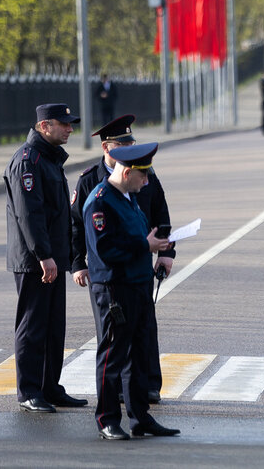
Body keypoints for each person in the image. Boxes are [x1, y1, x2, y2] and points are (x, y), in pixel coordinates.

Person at [70, 114, 175, 404]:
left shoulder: (145, 174)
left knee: (144, 329)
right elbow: (77, 225)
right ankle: (114, 391)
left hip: (138, 270)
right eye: (122, 145)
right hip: (110, 275)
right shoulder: (92, 181)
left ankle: (147, 386)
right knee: (112, 333)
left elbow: (159, 213)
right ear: (107, 149)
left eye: (131, 142)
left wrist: (166, 252)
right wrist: (77, 263)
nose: (130, 148)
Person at [83, 142, 180, 440]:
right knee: (113, 356)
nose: (147, 181)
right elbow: (105, 250)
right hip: (115, 290)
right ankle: (107, 419)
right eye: (143, 175)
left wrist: (156, 243)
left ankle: (141, 418)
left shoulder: (127, 197)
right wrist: (145, 245)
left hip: (137, 287)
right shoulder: (100, 201)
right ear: (126, 172)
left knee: (139, 355)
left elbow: (138, 234)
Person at [3, 103, 88, 413]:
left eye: (70, 124)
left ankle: (50, 387)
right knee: (33, 325)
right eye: (63, 124)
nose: (70, 129)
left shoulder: (49, 160)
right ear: (44, 126)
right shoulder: (28, 161)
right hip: (35, 261)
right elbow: (29, 214)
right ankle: (28, 390)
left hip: (53, 258)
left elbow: (51, 209)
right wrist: (44, 255)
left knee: (54, 326)